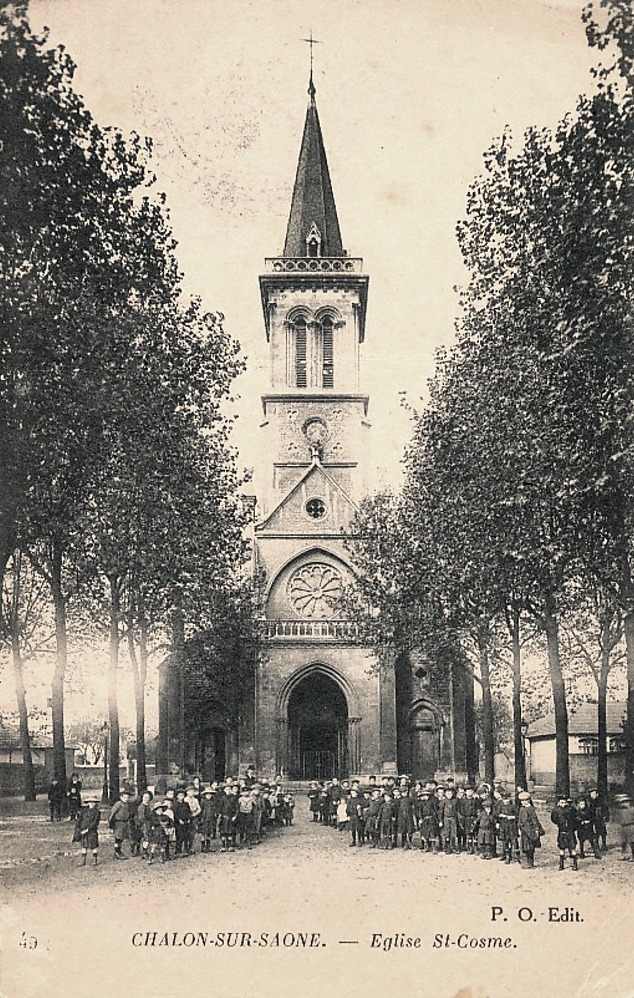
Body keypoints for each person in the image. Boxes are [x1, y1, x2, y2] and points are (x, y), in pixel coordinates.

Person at [517, 790, 545, 869]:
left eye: (525, 800)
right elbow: (520, 820)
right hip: (524, 830)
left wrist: (536, 829)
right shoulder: (521, 809)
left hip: (530, 830)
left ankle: (530, 862)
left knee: (530, 847)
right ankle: (526, 861)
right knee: (525, 846)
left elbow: (534, 819)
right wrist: (519, 828)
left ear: (528, 800)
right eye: (522, 801)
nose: (523, 802)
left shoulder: (531, 809)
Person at [551, 795, 579, 871]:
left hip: (570, 831)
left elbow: (576, 817)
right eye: (561, 802)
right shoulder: (556, 810)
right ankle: (561, 865)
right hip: (562, 831)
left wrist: (573, 826)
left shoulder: (571, 809)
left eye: (565, 802)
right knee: (561, 848)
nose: (563, 804)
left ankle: (575, 864)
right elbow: (553, 818)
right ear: (559, 803)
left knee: (572, 848)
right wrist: (559, 823)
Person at [73, 795, 100, 866]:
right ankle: (83, 860)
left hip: (92, 831)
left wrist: (87, 829)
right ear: (87, 803)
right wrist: (78, 829)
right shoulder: (84, 811)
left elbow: (95, 822)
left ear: (96, 803)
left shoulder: (97, 812)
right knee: (84, 845)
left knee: (94, 845)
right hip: (82, 830)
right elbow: (79, 820)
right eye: (90, 802)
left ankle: (95, 860)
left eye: (93, 802)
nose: (91, 804)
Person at [108, 789, 132, 859]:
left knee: (121, 838)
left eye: (127, 797)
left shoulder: (127, 805)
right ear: (121, 797)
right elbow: (112, 813)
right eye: (124, 797)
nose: (126, 799)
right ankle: (117, 851)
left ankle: (117, 852)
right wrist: (110, 823)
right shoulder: (118, 804)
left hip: (124, 823)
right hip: (118, 823)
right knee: (117, 838)